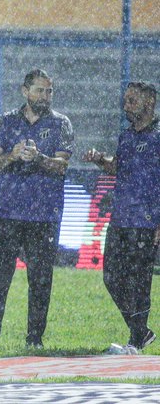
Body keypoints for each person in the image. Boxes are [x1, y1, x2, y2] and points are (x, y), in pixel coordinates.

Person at [0, 69, 74, 348]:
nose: (45, 96)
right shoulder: (6, 121)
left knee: (40, 280)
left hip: (44, 214)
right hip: (7, 212)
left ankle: (34, 339)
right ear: (25, 91)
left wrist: (38, 158)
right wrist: (12, 155)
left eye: (49, 91)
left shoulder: (62, 123)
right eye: (39, 90)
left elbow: (61, 167)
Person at [84, 81, 158, 354]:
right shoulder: (126, 136)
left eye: (132, 101)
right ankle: (141, 332)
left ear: (149, 102)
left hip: (146, 220)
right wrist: (100, 160)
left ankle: (136, 340)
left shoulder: (158, 136)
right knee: (112, 276)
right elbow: (118, 167)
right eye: (125, 100)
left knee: (140, 281)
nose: (126, 106)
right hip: (121, 218)